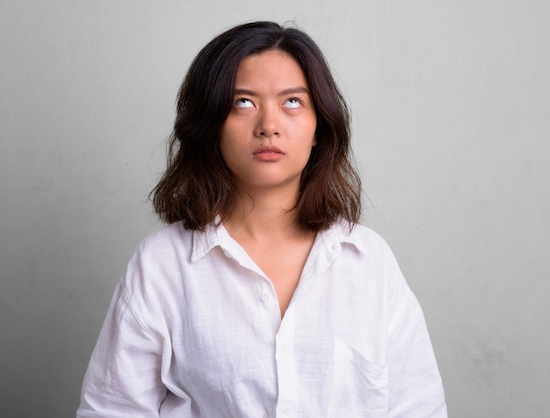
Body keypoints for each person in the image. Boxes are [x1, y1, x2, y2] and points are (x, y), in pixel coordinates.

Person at [77, 21, 447, 417]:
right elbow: (112, 410)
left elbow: (419, 408)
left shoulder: (370, 262)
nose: (268, 126)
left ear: (319, 125)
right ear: (211, 124)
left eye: (292, 102)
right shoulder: (162, 266)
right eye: (243, 102)